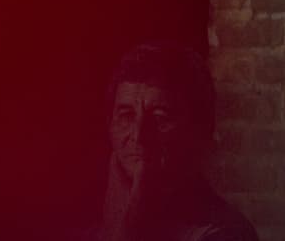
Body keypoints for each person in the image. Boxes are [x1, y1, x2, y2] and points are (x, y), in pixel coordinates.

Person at [94, 43, 257, 241]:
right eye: (126, 116)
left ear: (199, 129)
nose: (139, 136)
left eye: (160, 118)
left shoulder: (226, 233)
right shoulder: (85, 227)